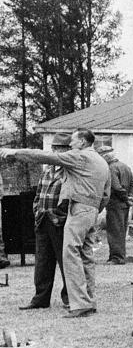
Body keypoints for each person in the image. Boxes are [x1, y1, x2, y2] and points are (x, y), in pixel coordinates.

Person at [0, 128, 110, 318]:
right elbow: (106, 194)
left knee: (70, 254)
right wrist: (93, 209)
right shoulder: (101, 161)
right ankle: (88, 300)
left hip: (79, 209)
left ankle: (80, 303)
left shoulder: (80, 156)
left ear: (83, 142)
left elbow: (43, 156)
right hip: (91, 210)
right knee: (85, 257)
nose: (70, 146)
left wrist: (14, 152)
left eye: (73, 142)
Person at [19, 133, 71, 310]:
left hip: (59, 221)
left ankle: (69, 298)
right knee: (42, 262)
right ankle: (40, 299)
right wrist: (37, 211)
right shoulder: (47, 170)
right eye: (55, 148)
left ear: (67, 151)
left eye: (61, 149)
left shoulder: (70, 171)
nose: (56, 152)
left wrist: (60, 214)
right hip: (42, 220)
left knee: (65, 261)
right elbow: (38, 194)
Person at [96, 146, 133, 265]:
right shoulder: (125, 166)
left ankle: (117, 258)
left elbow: (116, 187)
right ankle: (120, 256)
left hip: (115, 203)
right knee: (121, 231)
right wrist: (131, 198)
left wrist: (125, 198)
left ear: (105, 156)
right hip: (124, 204)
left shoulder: (110, 168)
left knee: (115, 231)